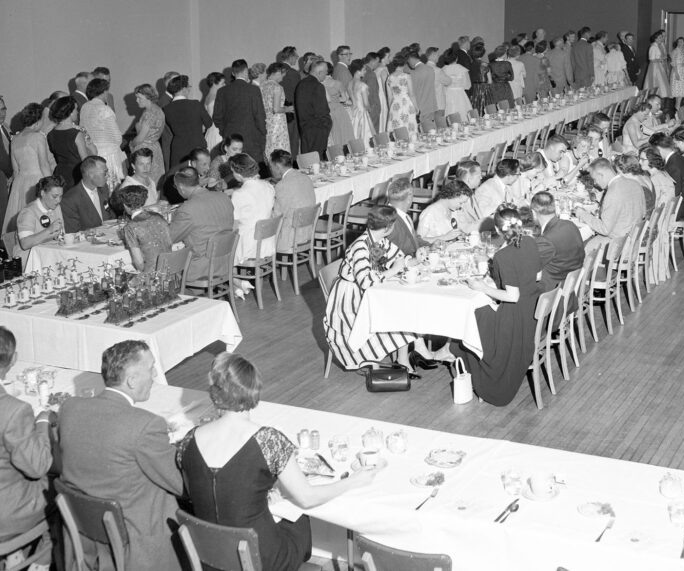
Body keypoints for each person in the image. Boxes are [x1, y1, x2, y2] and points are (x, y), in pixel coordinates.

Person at [177, 354, 374, 571]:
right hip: (262, 559)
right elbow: (308, 498)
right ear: (253, 390)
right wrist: (353, 481)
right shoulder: (268, 440)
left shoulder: (188, 440)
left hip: (210, 555)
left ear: (215, 393)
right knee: (298, 516)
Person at [59, 341, 185, 571]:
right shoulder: (145, 425)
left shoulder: (69, 408)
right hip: (137, 541)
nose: (155, 375)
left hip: (85, 532)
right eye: (151, 368)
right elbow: (181, 484)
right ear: (132, 380)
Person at [453, 205, 549, 405]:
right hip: (532, 309)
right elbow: (537, 275)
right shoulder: (530, 241)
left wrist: (481, 286)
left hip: (514, 317)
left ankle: (469, 369)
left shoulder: (502, 256)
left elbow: (512, 296)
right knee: (479, 313)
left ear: (497, 231)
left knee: (471, 317)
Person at [0, 327, 53, 563]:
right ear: (13, 359)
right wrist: (43, 423)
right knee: (64, 488)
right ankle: (41, 564)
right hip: (2, 516)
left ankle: (15, 557)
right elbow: (39, 466)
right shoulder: (14, 410)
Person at [324, 205, 418, 371]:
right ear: (388, 228)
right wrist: (394, 270)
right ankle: (377, 360)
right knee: (400, 310)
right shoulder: (360, 247)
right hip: (350, 300)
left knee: (405, 308)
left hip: (367, 293)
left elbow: (399, 258)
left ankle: (402, 360)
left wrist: (416, 260)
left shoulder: (378, 240)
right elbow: (366, 283)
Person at [573, 158, 647, 261]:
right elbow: (643, 213)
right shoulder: (635, 183)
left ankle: (594, 276)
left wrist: (582, 214)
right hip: (634, 240)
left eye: (595, 179)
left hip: (619, 245)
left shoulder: (612, 192)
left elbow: (605, 229)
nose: (595, 183)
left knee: (581, 248)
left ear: (601, 175)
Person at [169, 166, 235, 277]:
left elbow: (170, 238)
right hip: (226, 262)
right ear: (198, 180)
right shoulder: (224, 197)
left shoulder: (187, 209)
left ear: (181, 187)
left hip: (201, 268)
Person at [2, 102, 55, 235]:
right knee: (39, 220)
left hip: (20, 184)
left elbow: (16, 170)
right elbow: (44, 164)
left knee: (22, 223)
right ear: (38, 121)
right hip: (37, 181)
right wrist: (51, 184)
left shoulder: (15, 139)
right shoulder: (38, 137)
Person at [213, 60, 267, 165]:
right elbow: (259, 115)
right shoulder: (253, 90)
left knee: (233, 170)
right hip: (252, 138)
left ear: (233, 73)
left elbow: (217, 117)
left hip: (231, 138)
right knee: (252, 171)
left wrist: (224, 131)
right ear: (246, 71)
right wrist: (263, 133)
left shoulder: (222, 91)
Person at [228, 153, 275, 265]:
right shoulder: (268, 186)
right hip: (268, 243)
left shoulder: (239, 194)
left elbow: (234, 227)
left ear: (238, 175)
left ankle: (238, 282)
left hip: (249, 247)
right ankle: (241, 282)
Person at [267, 150, 316, 253]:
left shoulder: (282, 185)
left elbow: (276, 216)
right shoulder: (306, 178)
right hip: (308, 232)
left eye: (271, 167)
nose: (270, 170)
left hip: (290, 238)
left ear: (278, 167)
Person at [78, 78, 125, 186]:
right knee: (111, 186)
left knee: (96, 186)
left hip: (92, 153)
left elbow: (82, 129)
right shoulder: (105, 109)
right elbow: (117, 137)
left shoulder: (85, 107)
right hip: (109, 155)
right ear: (103, 92)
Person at [162, 75, 213, 171]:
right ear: (183, 88)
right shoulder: (195, 104)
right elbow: (209, 123)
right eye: (188, 87)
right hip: (197, 146)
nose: (189, 89)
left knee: (181, 176)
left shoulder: (166, 109)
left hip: (178, 148)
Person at [118, 184, 171, 272]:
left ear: (125, 205)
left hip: (152, 279)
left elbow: (139, 263)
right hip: (170, 271)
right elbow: (168, 243)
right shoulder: (159, 217)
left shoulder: (130, 227)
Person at [46, 95, 93, 188]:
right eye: (76, 109)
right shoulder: (76, 134)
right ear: (70, 112)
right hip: (76, 175)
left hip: (60, 174)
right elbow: (85, 161)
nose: (78, 111)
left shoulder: (51, 134)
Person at [60, 155, 114, 233]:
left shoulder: (103, 189)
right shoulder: (70, 200)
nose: (108, 176)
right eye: (104, 173)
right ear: (90, 174)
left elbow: (110, 217)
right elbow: (73, 233)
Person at [15, 175, 65, 257]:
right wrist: (49, 230)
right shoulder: (28, 212)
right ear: (43, 193)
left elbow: (61, 235)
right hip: (29, 258)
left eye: (61, 196)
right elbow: (25, 244)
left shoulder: (56, 207)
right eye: (55, 196)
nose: (58, 200)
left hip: (50, 254)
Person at [294, 59, 332, 157]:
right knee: (317, 160)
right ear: (319, 72)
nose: (326, 74)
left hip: (304, 128)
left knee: (308, 160)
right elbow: (322, 111)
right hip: (318, 129)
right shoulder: (318, 86)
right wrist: (327, 125)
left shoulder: (300, 84)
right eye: (325, 72)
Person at [131, 84, 166, 184]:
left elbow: (140, 138)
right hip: (155, 147)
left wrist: (132, 144)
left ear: (148, 97)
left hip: (144, 150)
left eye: (139, 98)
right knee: (155, 181)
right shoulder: (158, 110)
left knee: (145, 181)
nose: (137, 100)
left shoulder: (149, 113)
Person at [417, 179, 471, 243]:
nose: (461, 206)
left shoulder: (453, 210)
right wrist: (444, 237)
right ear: (452, 196)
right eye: (460, 203)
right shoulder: (430, 213)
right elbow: (418, 241)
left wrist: (459, 235)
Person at [260, 63, 290, 159]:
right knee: (280, 150)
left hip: (267, 121)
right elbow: (276, 109)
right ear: (277, 72)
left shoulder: (262, 85)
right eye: (282, 74)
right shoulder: (277, 87)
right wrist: (288, 109)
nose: (283, 78)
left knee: (269, 148)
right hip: (278, 123)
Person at [387, 52, 418, 133]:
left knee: (396, 128)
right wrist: (416, 107)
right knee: (408, 128)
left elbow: (389, 97)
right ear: (404, 64)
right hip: (406, 104)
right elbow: (411, 94)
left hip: (395, 104)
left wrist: (391, 109)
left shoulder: (389, 78)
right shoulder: (406, 76)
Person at [347, 60, 374, 148]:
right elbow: (366, 104)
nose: (365, 71)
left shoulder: (349, 84)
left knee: (355, 134)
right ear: (358, 71)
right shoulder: (362, 85)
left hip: (353, 113)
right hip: (362, 113)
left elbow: (351, 100)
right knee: (365, 138)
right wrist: (370, 110)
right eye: (364, 70)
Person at [440, 49, 472, 119]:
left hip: (447, 94)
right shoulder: (462, 69)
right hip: (460, 94)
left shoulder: (443, 69)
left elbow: (441, 84)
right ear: (456, 58)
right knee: (463, 114)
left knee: (448, 112)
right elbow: (467, 85)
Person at [408, 51, 438, 123]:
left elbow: (412, 93)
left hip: (421, 108)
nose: (408, 64)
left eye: (408, 61)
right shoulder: (430, 69)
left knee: (423, 131)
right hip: (432, 105)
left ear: (411, 59)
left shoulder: (414, 73)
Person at [669, 36, 684, 114]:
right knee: (678, 92)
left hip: (683, 71)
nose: (680, 43)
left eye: (681, 42)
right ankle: (677, 110)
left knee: (682, 92)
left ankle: (678, 109)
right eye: (679, 42)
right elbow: (673, 63)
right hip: (677, 70)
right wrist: (676, 73)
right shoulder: (675, 51)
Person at [644, 30, 669, 96]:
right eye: (660, 38)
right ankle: (654, 94)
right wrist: (661, 59)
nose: (661, 39)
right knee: (655, 81)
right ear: (655, 39)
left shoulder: (658, 46)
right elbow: (651, 59)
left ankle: (659, 94)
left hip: (658, 66)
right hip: (654, 66)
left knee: (660, 81)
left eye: (661, 37)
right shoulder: (653, 47)